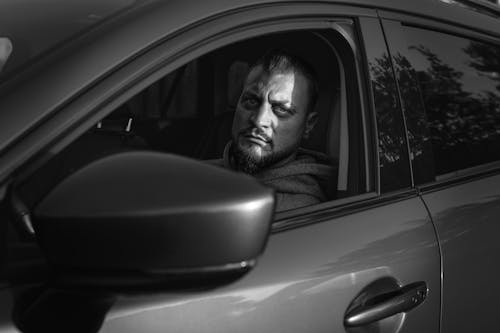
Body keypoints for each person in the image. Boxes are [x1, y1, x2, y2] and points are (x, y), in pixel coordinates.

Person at [213, 49, 333, 212]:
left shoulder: (300, 212)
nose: (259, 120)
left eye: (281, 109)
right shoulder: (198, 174)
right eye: (251, 101)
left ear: (308, 125)